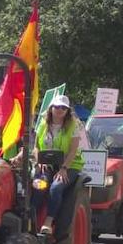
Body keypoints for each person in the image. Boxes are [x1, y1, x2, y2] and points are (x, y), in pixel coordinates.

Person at [34, 94, 86, 236]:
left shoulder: (73, 126)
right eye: (56, 106)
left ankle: (48, 222)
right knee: (38, 185)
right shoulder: (43, 125)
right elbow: (36, 147)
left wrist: (64, 169)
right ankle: (32, 221)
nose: (59, 110)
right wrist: (40, 161)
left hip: (70, 164)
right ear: (51, 109)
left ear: (67, 111)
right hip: (48, 163)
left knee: (56, 187)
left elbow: (73, 150)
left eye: (63, 108)